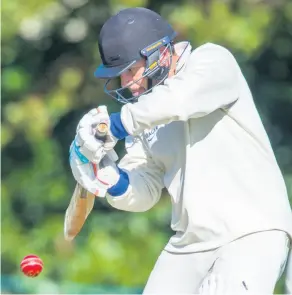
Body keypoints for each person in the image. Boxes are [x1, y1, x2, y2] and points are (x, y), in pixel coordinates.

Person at [69, 7, 292, 294]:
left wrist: (115, 125)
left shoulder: (213, 62)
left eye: (130, 71)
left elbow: (180, 99)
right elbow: (145, 189)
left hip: (251, 233)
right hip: (189, 243)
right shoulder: (142, 114)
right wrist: (110, 178)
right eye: (119, 76)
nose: (126, 84)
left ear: (158, 54)